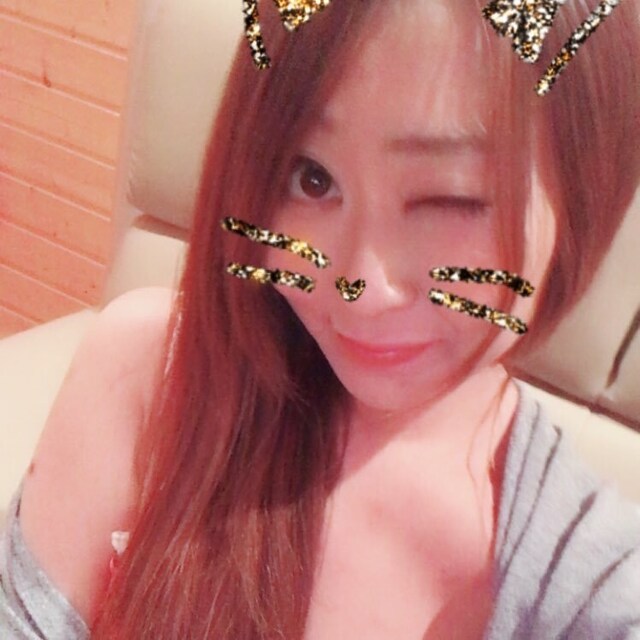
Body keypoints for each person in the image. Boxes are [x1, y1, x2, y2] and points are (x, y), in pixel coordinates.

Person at [2, 0, 640, 637]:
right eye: (311, 178)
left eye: (451, 198)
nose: (361, 290)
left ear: (583, 200)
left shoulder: (592, 583)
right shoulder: (151, 374)